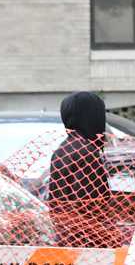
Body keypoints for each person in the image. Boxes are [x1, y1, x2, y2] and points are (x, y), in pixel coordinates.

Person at [47, 90, 115, 243]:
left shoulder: (62, 149)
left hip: (67, 239)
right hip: (87, 245)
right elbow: (88, 206)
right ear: (94, 117)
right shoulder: (87, 153)